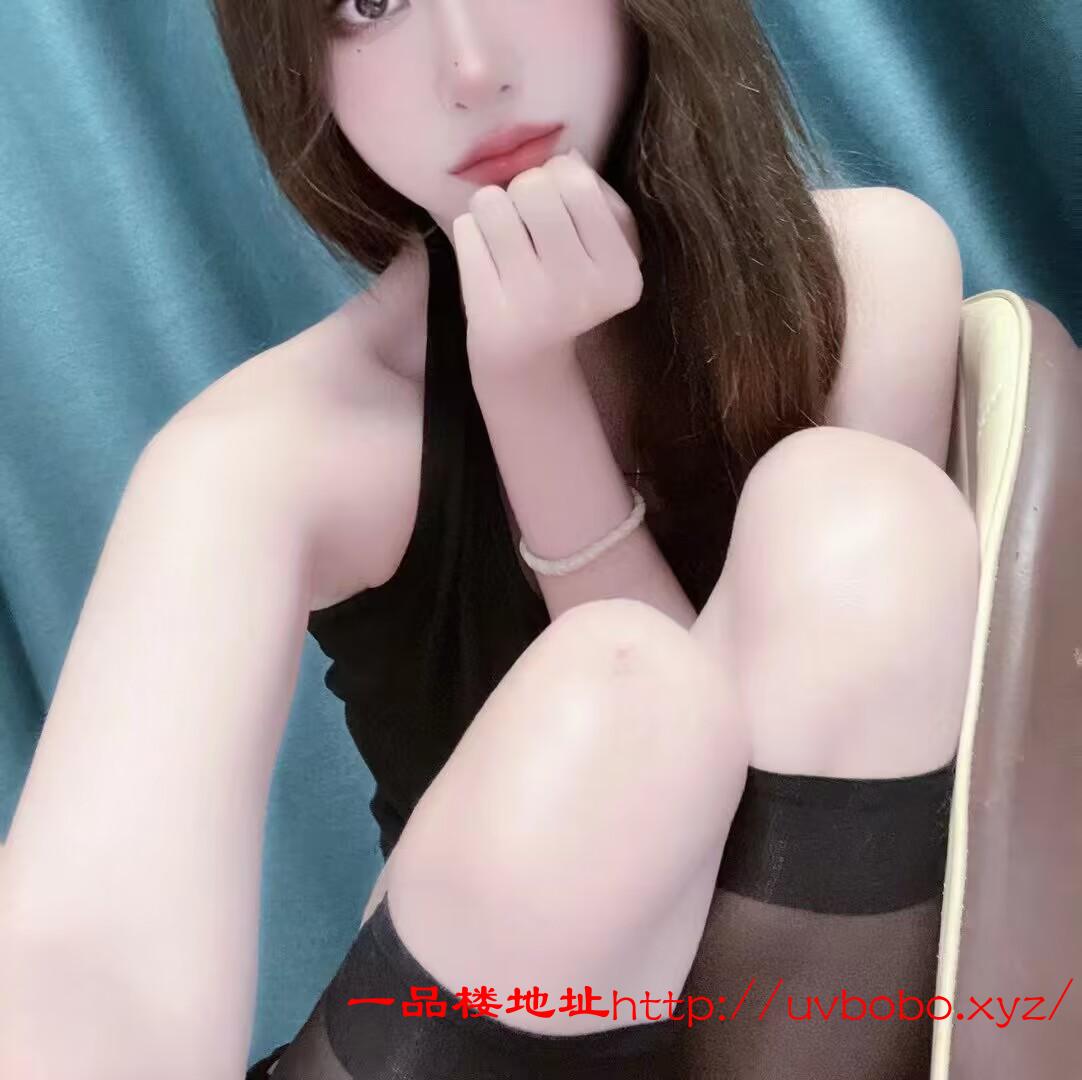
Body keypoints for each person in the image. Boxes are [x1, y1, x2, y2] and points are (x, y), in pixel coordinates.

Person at [0, 2, 979, 1078]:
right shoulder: (275, 446)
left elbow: (779, 882)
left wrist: (538, 404)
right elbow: (89, 955)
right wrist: (518, 389)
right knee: (614, 699)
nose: (471, 68)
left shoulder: (862, 276)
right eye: (370, 2)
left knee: (855, 520)